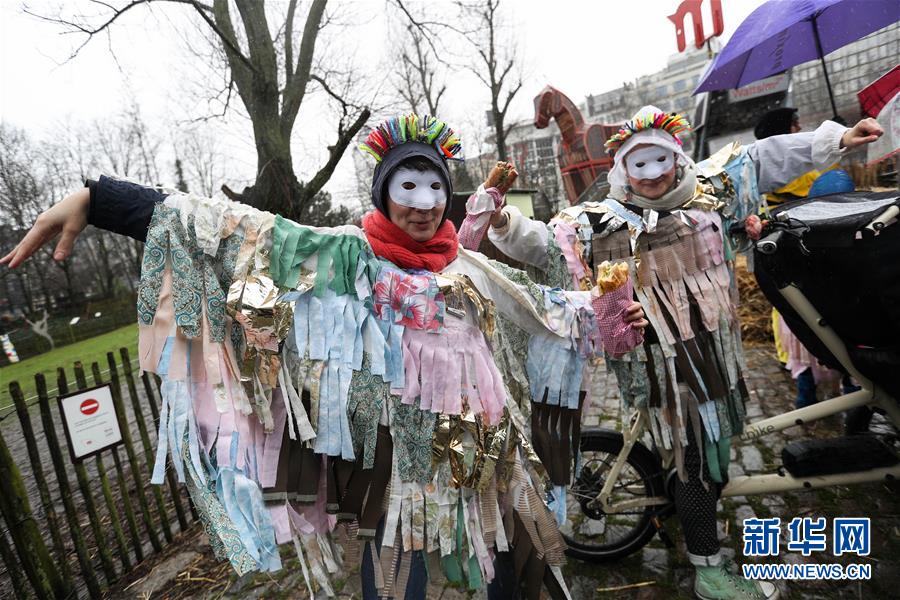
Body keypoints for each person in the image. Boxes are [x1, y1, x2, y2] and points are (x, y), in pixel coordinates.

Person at [1, 113, 646, 600]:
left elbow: (540, 305)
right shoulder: (345, 255)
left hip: (486, 449)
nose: (423, 204)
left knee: (515, 553)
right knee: (397, 563)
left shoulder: (467, 264)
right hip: (401, 463)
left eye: (435, 187)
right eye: (408, 186)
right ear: (384, 191)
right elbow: (232, 230)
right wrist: (100, 199)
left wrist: (607, 312)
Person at [477, 105, 883, 600]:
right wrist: (504, 221)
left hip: (714, 354)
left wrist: (838, 139)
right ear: (623, 168)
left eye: (661, 161)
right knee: (696, 461)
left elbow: (763, 158)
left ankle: (686, 506)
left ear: (677, 157)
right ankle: (708, 571)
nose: (652, 175)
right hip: (661, 367)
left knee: (709, 452)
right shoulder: (600, 222)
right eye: (639, 164)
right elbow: (544, 242)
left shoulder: (710, 192)